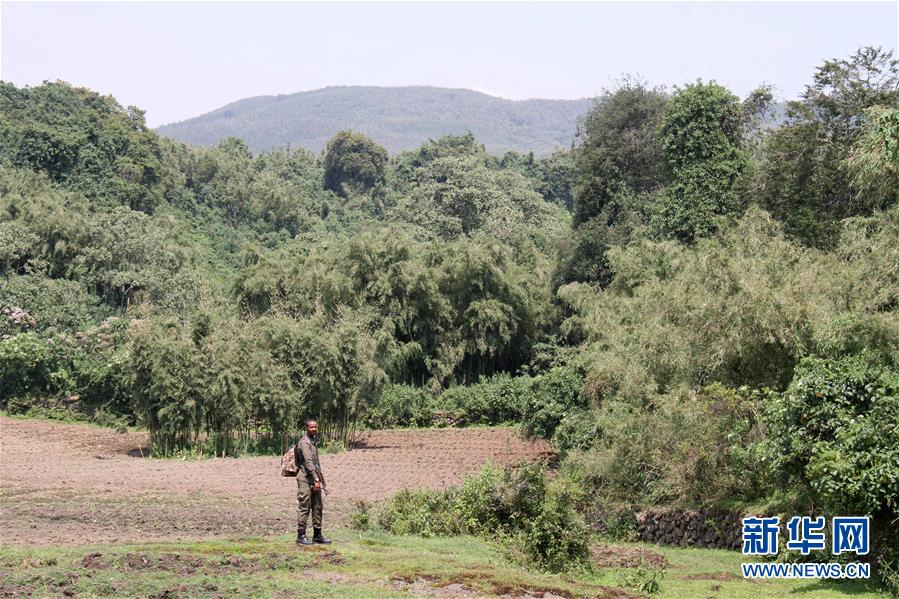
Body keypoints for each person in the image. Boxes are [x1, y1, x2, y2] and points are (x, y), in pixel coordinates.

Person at [294, 419, 331, 545]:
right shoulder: (304, 442)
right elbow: (309, 463)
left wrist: (320, 479)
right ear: (306, 428)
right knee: (305, 506)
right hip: (305, 478)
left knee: (317, 506)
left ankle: (317, 534)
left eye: (315, 427)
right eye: (311, 427)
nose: (314, 429)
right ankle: (301, 535)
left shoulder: (313, 442)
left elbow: (316, 463)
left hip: (314, 477)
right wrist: (316, 479)